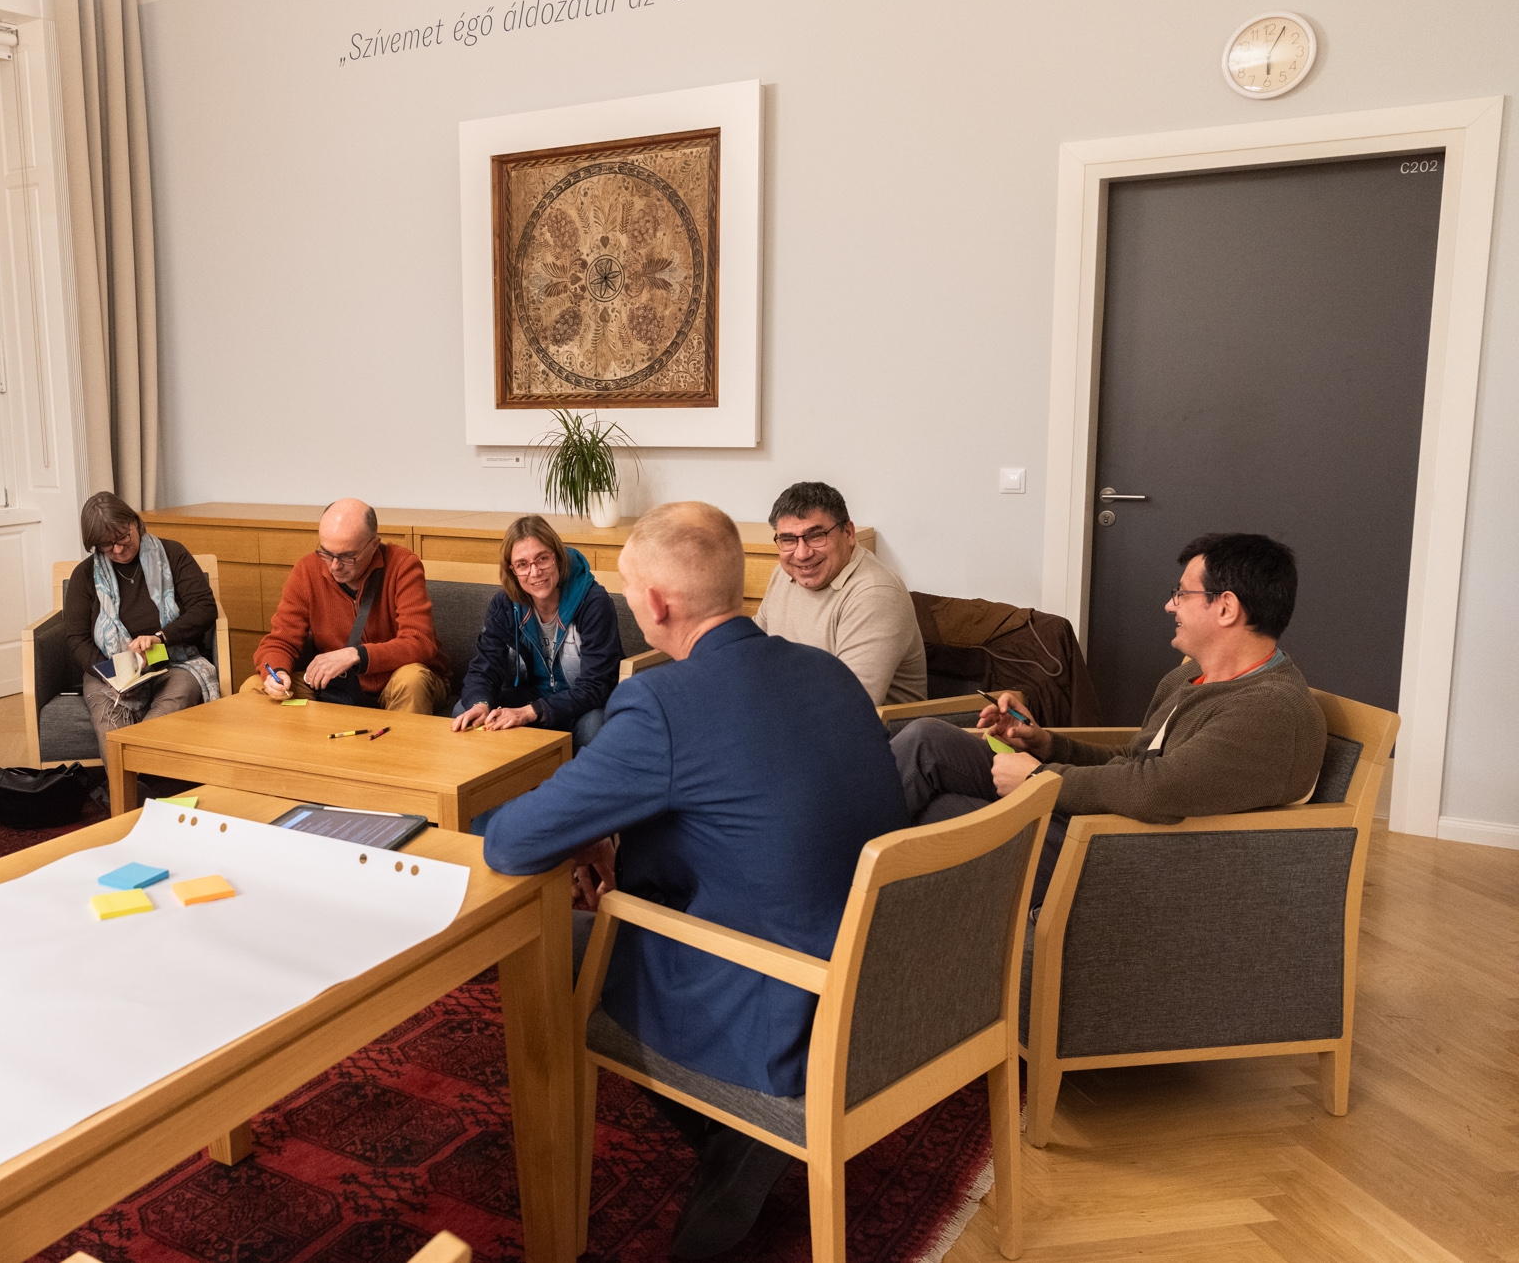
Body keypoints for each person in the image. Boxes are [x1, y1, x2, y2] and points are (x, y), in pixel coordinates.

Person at [480, 502, 907, 1259]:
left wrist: (597, 844)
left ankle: (734, 1132)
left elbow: (512, 843)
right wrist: (612, 836)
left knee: (545, 939)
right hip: (881, 975)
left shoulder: (661, 702)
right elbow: (748, 806)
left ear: (655, 603)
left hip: (780, 1006)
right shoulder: (830, 673)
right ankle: (737, 1137)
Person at [894, 532, 1327, 904]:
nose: (1170, 605)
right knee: (929, 739)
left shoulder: (1269, 710)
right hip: (1105, 824)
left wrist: (1038, 780)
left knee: (939, 812)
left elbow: (1154, 788)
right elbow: (1137, 760)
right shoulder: (1191, 675)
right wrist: (1047, 745)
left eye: (1182, 594)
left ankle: (863, 902)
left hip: (1127, 858)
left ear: (1226, 607)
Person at [243, 498, 448, 714]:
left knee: (412, 680)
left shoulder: (402, 565)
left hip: (394, 682)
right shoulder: (307, 570)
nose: (334, 565)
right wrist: (277, 673)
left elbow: (420, 642)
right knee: (254, 688)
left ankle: (400, 739)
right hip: (336, 686)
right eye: (326, 553)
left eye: (347, 556)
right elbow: (280, 641)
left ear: (373, 545)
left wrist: (355, 655)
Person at [451, 514, 623, 749]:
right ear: (512, 570)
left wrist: (531, 712)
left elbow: (597, 685)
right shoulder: (504, 605)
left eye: (542, 559)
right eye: (522, 564)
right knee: (464, 711)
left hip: (582, 704)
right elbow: (484, 668)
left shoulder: (593, 603)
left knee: (595, 726)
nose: (534, 572)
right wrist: (480, 703)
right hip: (531, 696)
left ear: (557, 557)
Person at [62, 492, 222, 741]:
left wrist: (160, 638)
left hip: (172, 660)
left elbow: (204, 608)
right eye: (107, 545)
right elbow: (77, 639)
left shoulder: (172, 554)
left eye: (122, 537)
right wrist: (115, 673)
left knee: (168, 710)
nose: (117, 549)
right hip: (109, 668)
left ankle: (138, 761)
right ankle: (131, 768)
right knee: (109, 724)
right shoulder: (84, 575)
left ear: (134, 522)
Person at [754, 481, 928, 706]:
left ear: (848, 533)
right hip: (792, 712)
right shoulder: (784, 573)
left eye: (816, 536)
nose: (802, 554)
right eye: (788, 540)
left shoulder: (874, 594)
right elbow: (753, 650)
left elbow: (848, 704)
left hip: (863, 725)